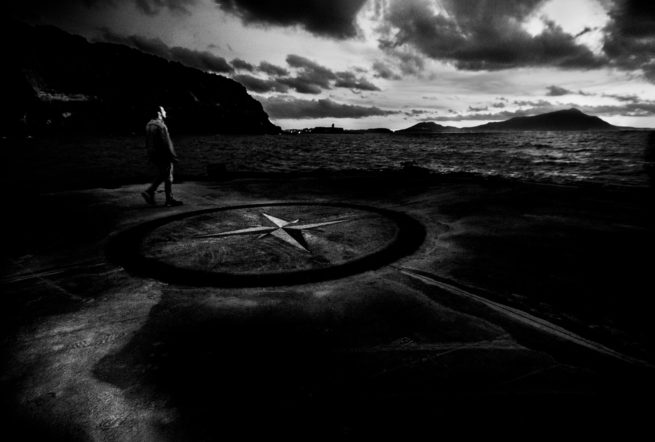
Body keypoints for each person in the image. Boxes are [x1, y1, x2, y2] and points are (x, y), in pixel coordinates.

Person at [141, 105, 183, 207]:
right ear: (159, 113)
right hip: (163, 154)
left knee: (163, 174)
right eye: (163, 110)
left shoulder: (149, 125)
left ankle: (151, 192)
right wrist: (172, 156)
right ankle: (168, 199)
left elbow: (147, 142)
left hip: (154, 154)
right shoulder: (161, 126)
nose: (165, 112)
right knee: (168, 175)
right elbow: (166, 143)